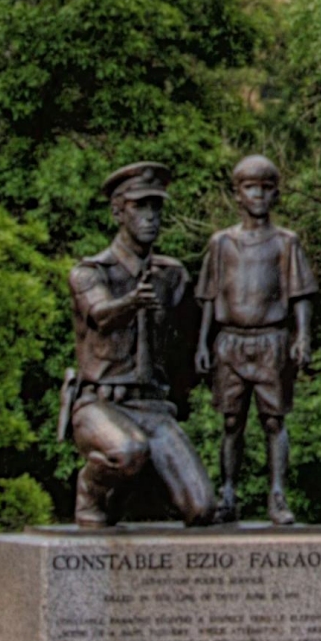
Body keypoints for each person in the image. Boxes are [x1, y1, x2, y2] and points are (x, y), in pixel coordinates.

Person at [63, 163, 218, 529]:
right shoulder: (91, 272)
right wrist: (132, 301)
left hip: (153, 408)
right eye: (140, 207)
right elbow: (101, 314)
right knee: (128, 450)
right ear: (118, 211)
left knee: (202, 510)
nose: (151, 217)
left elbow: (197, 333)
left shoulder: (172, 275)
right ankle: (91, 490)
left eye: (156, 208)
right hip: (100, 403)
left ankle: (121, 497)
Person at [195, 155, 317, 526]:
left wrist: (303, 336)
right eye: (251, 188)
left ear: (275, 194)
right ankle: (228, 492)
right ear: (238, 195)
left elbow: (300, 294)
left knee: (273, 421)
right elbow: (209, 296)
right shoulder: (221, 243)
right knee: (231, 421)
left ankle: (277, 494)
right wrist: (202, 342)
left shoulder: (286, 242)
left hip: (272, 340)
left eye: (266, 189)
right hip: (230, 341)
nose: (258, 196)